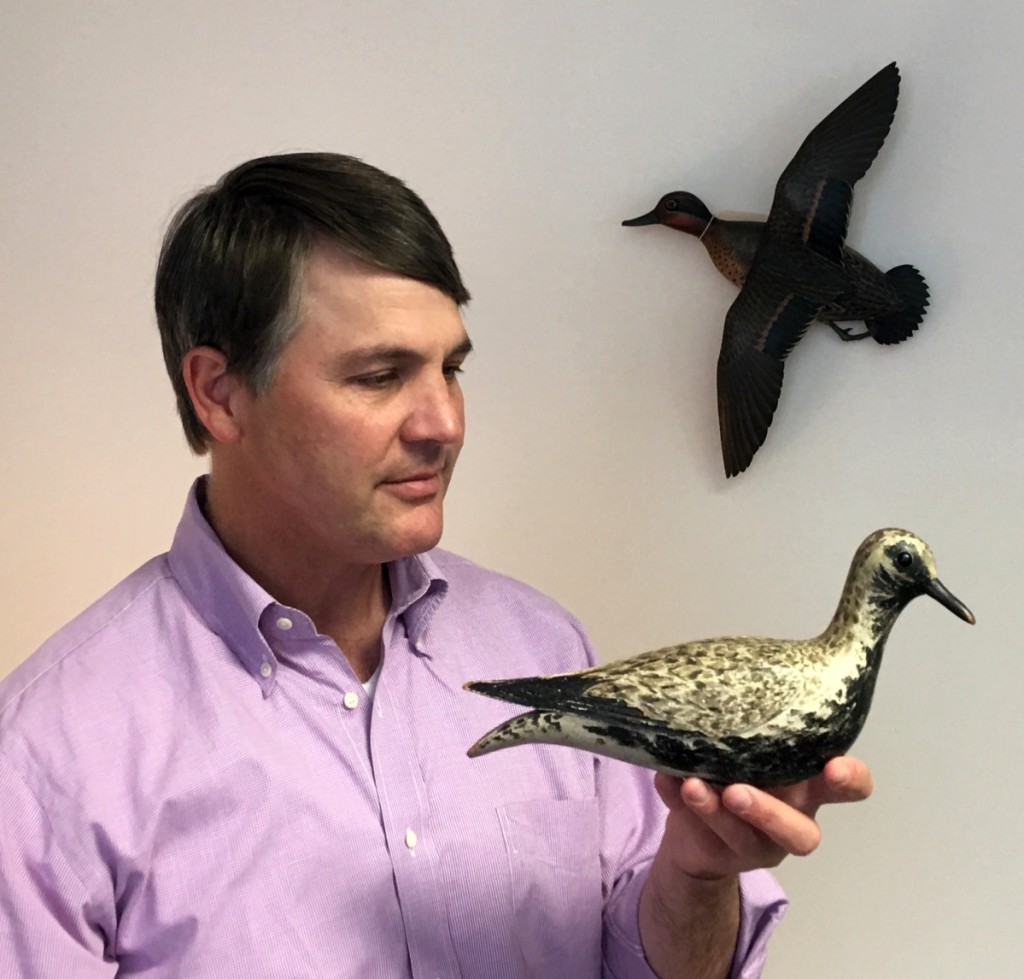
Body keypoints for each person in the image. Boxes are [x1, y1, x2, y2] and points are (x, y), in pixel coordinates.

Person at [0, 153, 872, 978]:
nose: (442, 422)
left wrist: (696, 876)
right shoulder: (48, 754)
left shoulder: (539, 640)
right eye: (380, 375)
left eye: (449, 368)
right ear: (219, 392)